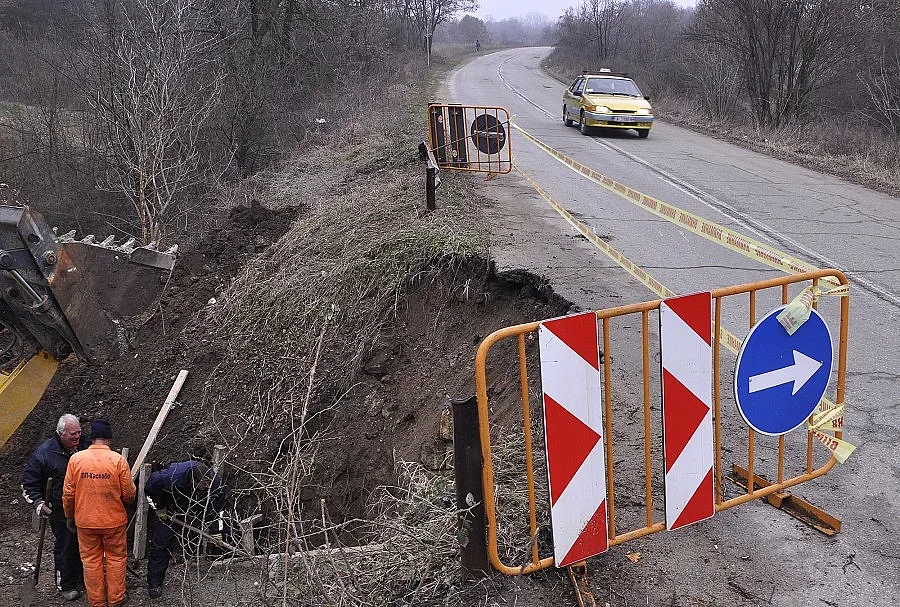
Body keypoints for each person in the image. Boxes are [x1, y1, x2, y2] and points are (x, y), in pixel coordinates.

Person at [62, 419, 135, 607]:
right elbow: (128, 494)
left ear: (92, 439)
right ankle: (116, 599)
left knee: (90, 561)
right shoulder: (118, 460)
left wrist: (70, 516)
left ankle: (97, 602)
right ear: (109, 440)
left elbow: (68, 495)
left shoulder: (76, 460)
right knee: (116, 559)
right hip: (113, 521)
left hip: (85, 522)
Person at [20, 414, 87, 601]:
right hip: (59, 509)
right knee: (66, 545)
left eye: (79, 432)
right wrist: (39, 503)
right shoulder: (44, 454)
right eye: (73, 434)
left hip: (83, 505)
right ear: (61, 434)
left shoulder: (83, 445)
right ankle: (65, 584)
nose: (78, 437)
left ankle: (82, 577)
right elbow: (28, 484)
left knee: (83, 543)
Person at [145, 460, 226, 598]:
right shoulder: (169, 477)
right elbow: (149, 489)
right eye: (204, 484)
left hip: (195, 504)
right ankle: (155, 584)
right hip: (170, 507)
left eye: (209, 484)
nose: (207, 487)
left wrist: (216, 531)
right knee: (162, 542)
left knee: (218, 525)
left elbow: (216, 508)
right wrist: (159, 508)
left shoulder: (215, 484)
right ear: (194, 481)